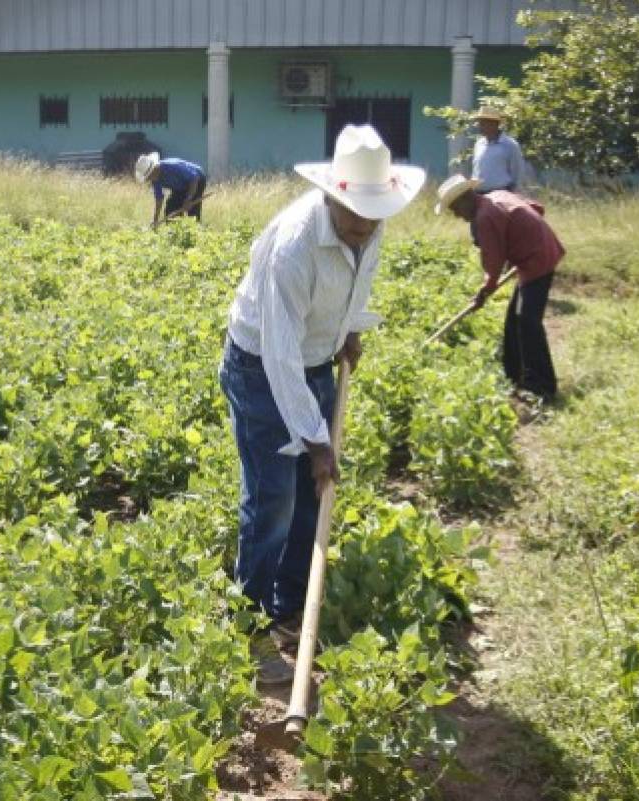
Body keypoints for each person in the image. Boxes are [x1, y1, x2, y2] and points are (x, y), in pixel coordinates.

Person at [219, 125, 425, 685]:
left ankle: (290, 604)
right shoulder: (293, 247)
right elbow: (280, 355)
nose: (363, 234)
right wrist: (314, 440)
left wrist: (349, 329)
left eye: (372, 221)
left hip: (314, 359)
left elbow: (357, 282)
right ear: (331, 197)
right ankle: (248, 622)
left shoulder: (368, 224)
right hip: (263, 368)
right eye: (354, 221)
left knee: (315, 492)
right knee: (274, 500)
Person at [436, 175, 564, 402]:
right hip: (538, 252)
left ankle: (542, 386)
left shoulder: (485, 216)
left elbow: (492, 262)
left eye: (455, 208)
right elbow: (537, 209)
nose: (456, 214)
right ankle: (513, 376)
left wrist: (484, 292)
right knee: (514, 321)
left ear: (467, 198)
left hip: (537, 260)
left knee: (527, 321)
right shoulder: (496, 196)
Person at [135, 153, 207, 226]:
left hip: (197, 180)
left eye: (149, 176)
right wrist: (155, 219)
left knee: (192, 213)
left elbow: (194, 178)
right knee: (170, 210)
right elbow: (159, 198)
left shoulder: (172, 166)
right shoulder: (155, 180)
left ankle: (195, 232)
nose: (149, 179)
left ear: (154, 168)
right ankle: (175, 233)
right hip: (180, 187)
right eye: (148, 177)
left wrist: (189, 199)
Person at [471, 106, 527, 194]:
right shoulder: (479, 144)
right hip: (479, 194)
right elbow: (476, 170)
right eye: (479, 122)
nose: (479, 126)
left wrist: (514, 193)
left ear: (494, 124)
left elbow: (517, 172)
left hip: (501, 194)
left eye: (483, 123)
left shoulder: (509, 144)